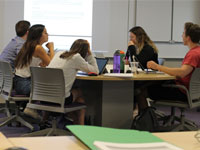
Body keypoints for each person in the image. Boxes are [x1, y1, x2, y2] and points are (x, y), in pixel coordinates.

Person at [137, 22, 200, 111]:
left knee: (141, 91)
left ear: (188, 37)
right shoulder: (198, 51)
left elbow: (182, 73)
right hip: (189, 91)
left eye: (183, 33)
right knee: (153, 84)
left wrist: (157, 66)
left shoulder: (193, 54)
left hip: (182, 91)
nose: (181, 36)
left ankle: (145, 121)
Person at [48, 39, 99, 125]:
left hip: (44, 97)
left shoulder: (59, 53)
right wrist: (89, 55)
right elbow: (95, 71)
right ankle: (80, 128)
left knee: (80, 100)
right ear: (85, 51)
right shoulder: (76, 57)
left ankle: (74, 122)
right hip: (60, 99)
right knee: (79, 92)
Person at [14, 24, 55, 119]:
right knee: (55, 89)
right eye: (45, 32)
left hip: (19, 82)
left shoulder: (29, 45)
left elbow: (42, 64)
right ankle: (36, 111)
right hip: (25, 84)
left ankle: (39, 113)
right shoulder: (38, 48)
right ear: (39, 35)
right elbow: (52, 65)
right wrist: (51, 48)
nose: (48, 34)